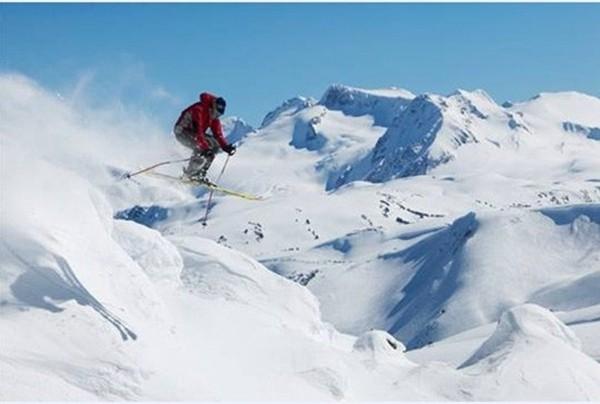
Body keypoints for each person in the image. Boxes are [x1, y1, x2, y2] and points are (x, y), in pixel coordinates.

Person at [173, 92, 236, 182]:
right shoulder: (199, 109)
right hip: (182, 131)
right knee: (201, 148)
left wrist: (226, 147)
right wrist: (205, 148)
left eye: (219, 115)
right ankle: (190, 173)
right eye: (216, 113)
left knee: (215, 145)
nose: (216, 116)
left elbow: (218, 135)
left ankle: (201, 173)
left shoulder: (214, 118)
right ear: (213, 106)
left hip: (195, 133)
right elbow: (199, 132)